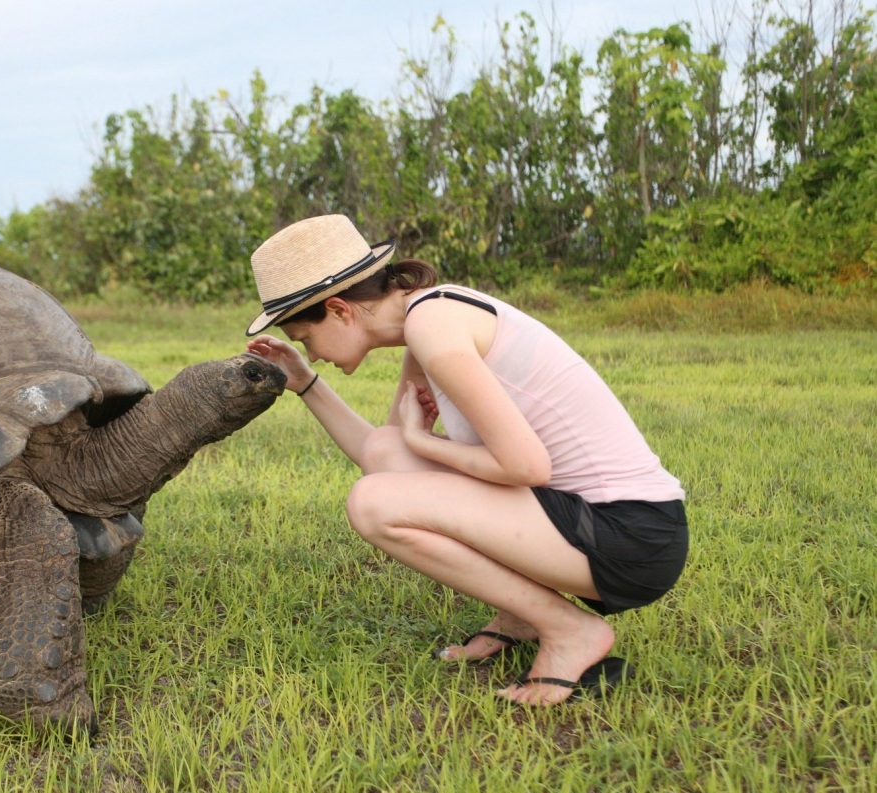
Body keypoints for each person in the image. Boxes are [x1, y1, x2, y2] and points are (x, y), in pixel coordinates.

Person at [244, 214, 688, 706]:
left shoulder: (433, 326)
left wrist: (425, 439)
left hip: (631, 536)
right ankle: (519, 615)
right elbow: (383, 455)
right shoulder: (427, 319)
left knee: (371, 503)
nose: (316, 353)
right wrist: (306, 381)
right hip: (581, 519)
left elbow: (526, 467)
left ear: (340, 309)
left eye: (308, 339)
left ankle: (569, 630)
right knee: (389, 458)